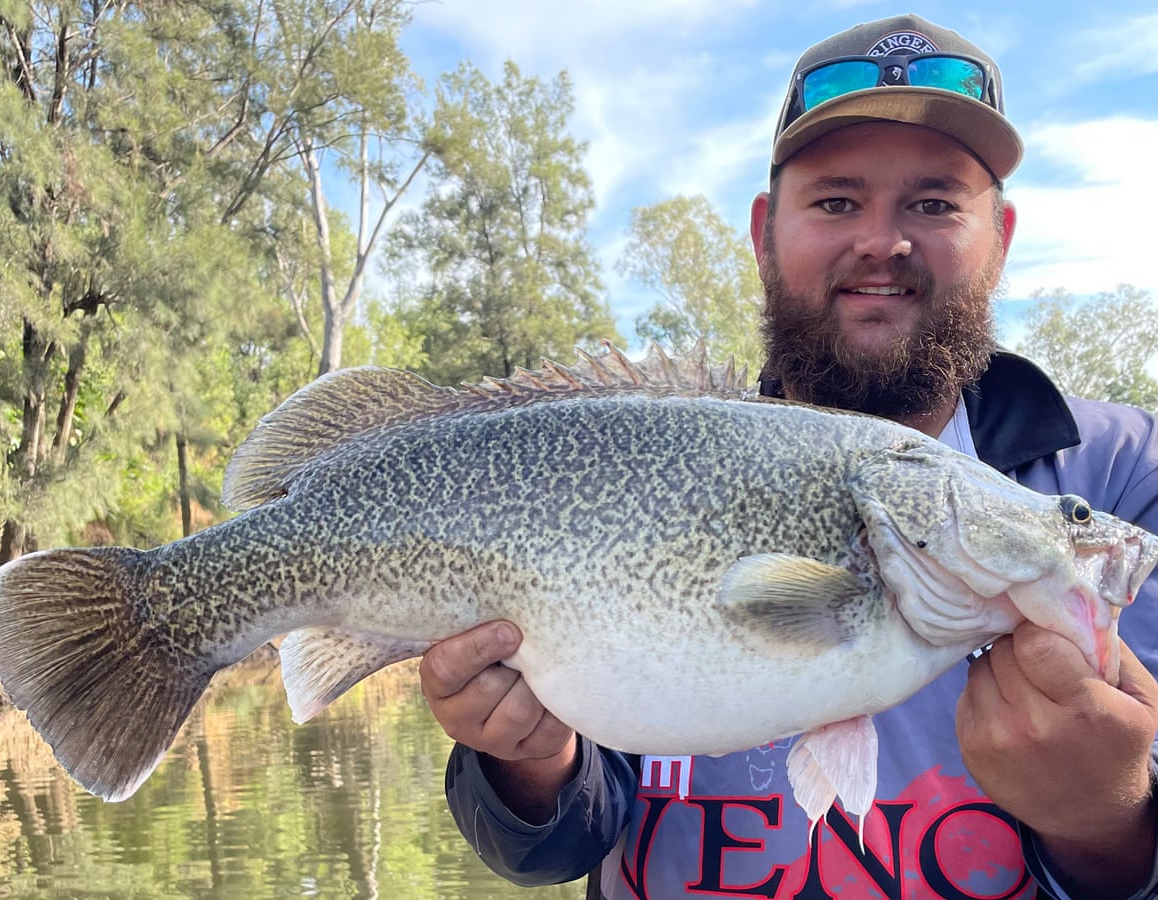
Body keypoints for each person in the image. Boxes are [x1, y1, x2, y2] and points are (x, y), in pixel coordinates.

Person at [420, 13, 1158, 899]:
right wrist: (527, 764)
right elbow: (547, 849)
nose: (882, 241)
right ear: (767, 233)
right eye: (837, 201)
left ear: (998, 238)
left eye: (934, 203)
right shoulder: (646, 454)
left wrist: (1106, 818)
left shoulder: (1119, 475)